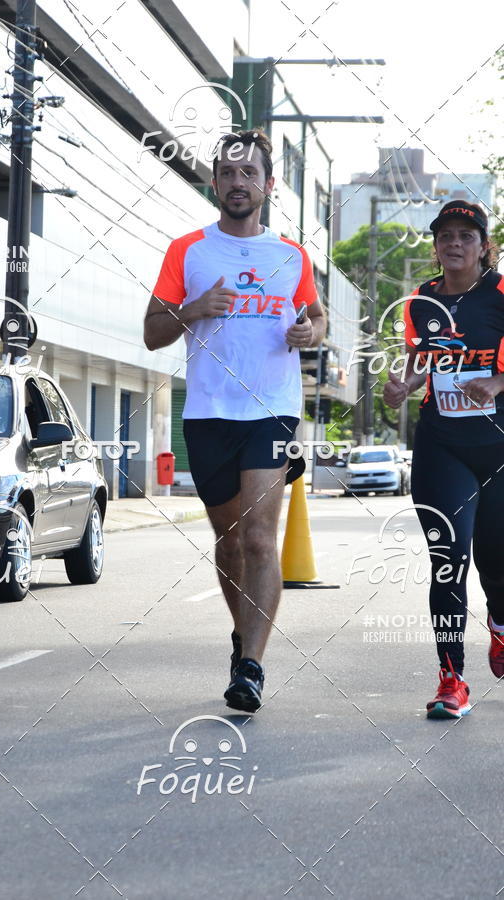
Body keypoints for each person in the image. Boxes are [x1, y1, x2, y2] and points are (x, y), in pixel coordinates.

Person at [143, 129, 326, 712]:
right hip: (209, 411)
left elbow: (317, 319)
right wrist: (194, 308)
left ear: (269, 185)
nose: (238, 182)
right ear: (215, 182)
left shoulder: (291, 256)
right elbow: (151, 332)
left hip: (271, 409)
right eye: (228, 173)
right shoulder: (188, 251)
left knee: (257, 537)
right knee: (227, 543)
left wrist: (309, 333)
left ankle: (252, 665)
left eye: (250, 174)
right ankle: (241, 635)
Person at [384, 200, 504, 719]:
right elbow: (421, 361)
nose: (454, 243)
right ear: (435, 246)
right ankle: (451, 679)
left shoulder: (500, 293)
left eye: (465, 235)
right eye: (445, 235)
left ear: (483, 246)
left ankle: (499, 624)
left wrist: (497, 381)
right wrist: (403, 385)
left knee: (496, 561)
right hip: (442, 445)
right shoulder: (420, 302)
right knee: (448, 561)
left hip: (498, 445)